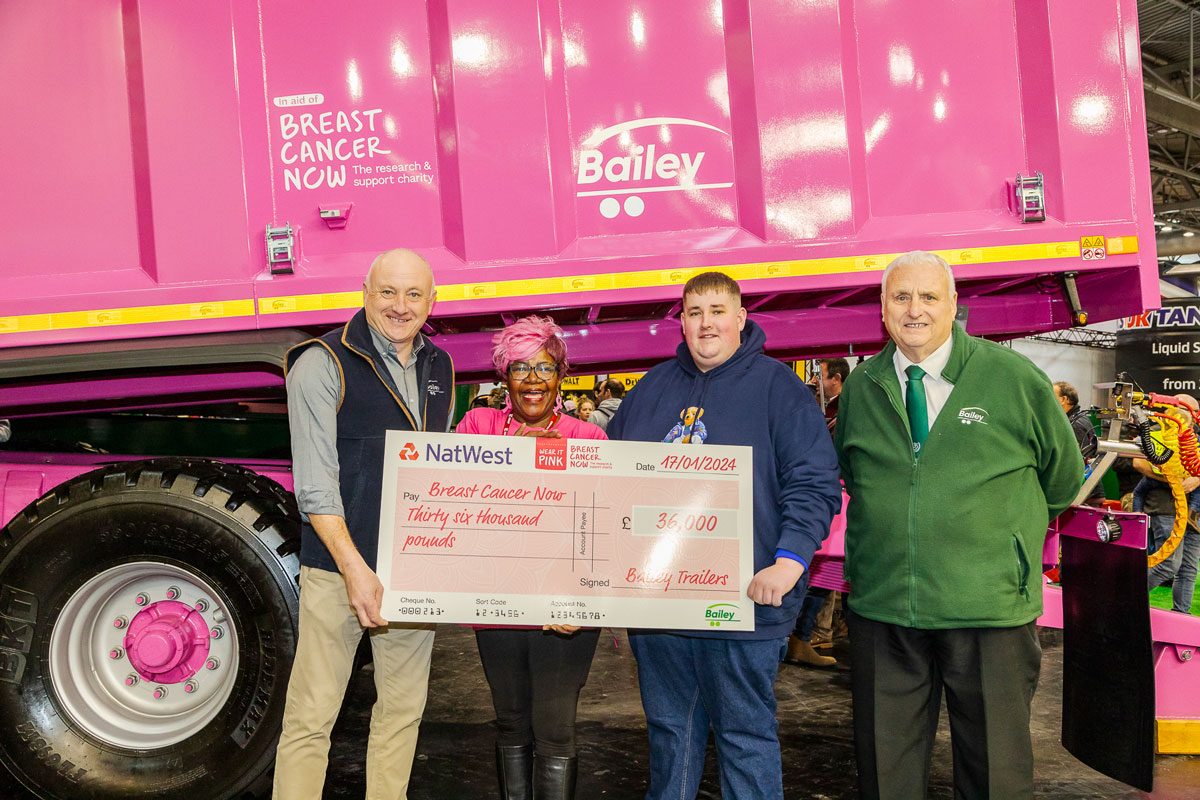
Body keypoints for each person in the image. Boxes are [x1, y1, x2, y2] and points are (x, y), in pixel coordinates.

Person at [834, 250, 1082, 800]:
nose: (914, 310)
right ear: (882, 310)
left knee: (995, 769)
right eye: (901, 297)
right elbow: (853, 472)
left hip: (988, 606)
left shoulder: (1011, 377)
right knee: (885, 771)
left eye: (928, 297)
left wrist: (1003, 540)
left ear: (953, 306)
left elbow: (1063, 478)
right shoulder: (862, 387)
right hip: (885, 607)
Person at [607, 271, 842, 800]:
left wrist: (788, 562)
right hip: (660, 609)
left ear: (740, 318)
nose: (706, 322)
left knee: (745, 738)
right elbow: (610, 481)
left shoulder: (779, 389)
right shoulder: (650, 390)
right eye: (694, 312)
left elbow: (815, 483)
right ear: (682, 322)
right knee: (671, 737)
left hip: (743, 605)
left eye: (717, 311)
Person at [274, 248, 454, 800]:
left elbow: (436, 470)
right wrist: (354, 569)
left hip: (409, 570)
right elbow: (315, 486)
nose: (400, 306)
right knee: (311, 718)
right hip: (337, 570)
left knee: (402, 714)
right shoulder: (321, 363)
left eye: (413, 294)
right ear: (365, 292)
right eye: (388, 292)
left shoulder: (439, 366)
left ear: (431, 300)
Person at [456, 316, 605, 800]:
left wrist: (578, 601)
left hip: (563, 609)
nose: (533, 380)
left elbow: (603, 531)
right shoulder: (478, 426)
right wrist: (509, 454)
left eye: (544, 367)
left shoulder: (588, 439)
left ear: (561, 375)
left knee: (556, 728)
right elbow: (452, 505)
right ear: (505, 376)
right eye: (520, 368)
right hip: (496, 603)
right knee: (510, 722)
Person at [1134, 393, 1200, 614]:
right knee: (1168, 565)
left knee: (1188, 568)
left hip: (1193, 511)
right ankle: (1122, 598)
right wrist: (1173, 480)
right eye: (1191, 410)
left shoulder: (1193, 438)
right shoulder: (1154, 430)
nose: (1194, 415)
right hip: (1164, 504)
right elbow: (1138, 463)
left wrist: (1195, 479)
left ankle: (1181, 617)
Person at [1053, 380, 1104, 506]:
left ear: (1064, 399)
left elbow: (1078, 461)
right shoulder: (1077, 419)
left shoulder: (1075, 424)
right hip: (1086, 492)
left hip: (1084, 495)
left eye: (1051, 395)